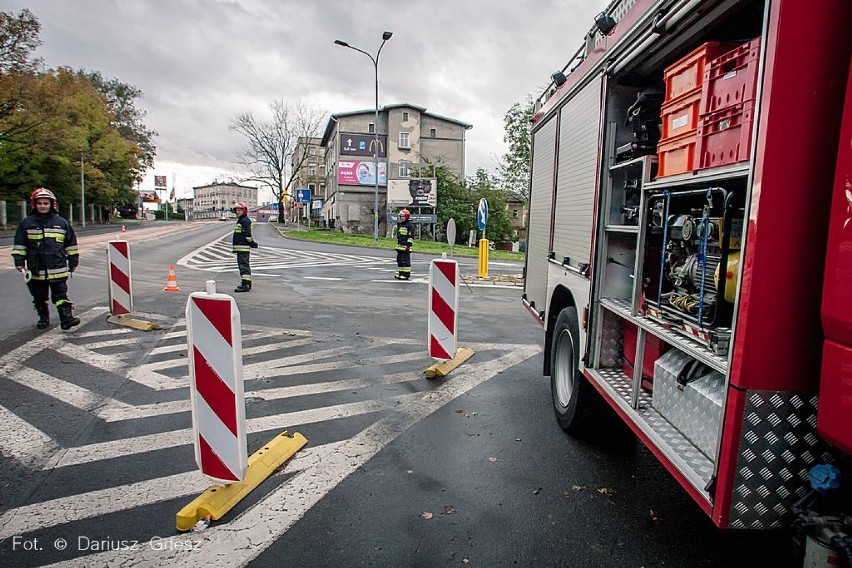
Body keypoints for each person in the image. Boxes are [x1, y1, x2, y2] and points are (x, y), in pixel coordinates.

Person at [11, 187, 81, 330]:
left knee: (61, 295)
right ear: (34, 204)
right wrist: (19, 262)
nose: (43, 206)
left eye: (46, 203)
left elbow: (71, 244)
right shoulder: (26, 223)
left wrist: (73, 261)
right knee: (39, 297)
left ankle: (66, 319)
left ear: (51, 204)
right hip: (36, 269)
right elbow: (20, 245)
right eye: (40, 203)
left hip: (58, 267)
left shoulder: (62, 223)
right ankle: (43, 317)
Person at [231, 201, 257, 292]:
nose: (237, 212)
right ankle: (245, 283)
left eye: (239, 210)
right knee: (242, 266)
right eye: (236, 210)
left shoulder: (245, 221)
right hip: (240, 248)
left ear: (244, 211)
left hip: (243, 248)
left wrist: (252, 243)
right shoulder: (242, 220)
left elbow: (248, 235)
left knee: (244, 266)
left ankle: (246, 284)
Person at [395, 208, 414, 280]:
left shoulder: (410, 225)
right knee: (399, 261)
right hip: (400, 247)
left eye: (402, 216)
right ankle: (401, 273)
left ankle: (406, 275)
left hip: (406, 247)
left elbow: (410, 237)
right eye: (400, 216)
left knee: (405, 261)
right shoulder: (402, 225)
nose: (400, 218)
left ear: (406, 216)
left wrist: (408, 246)